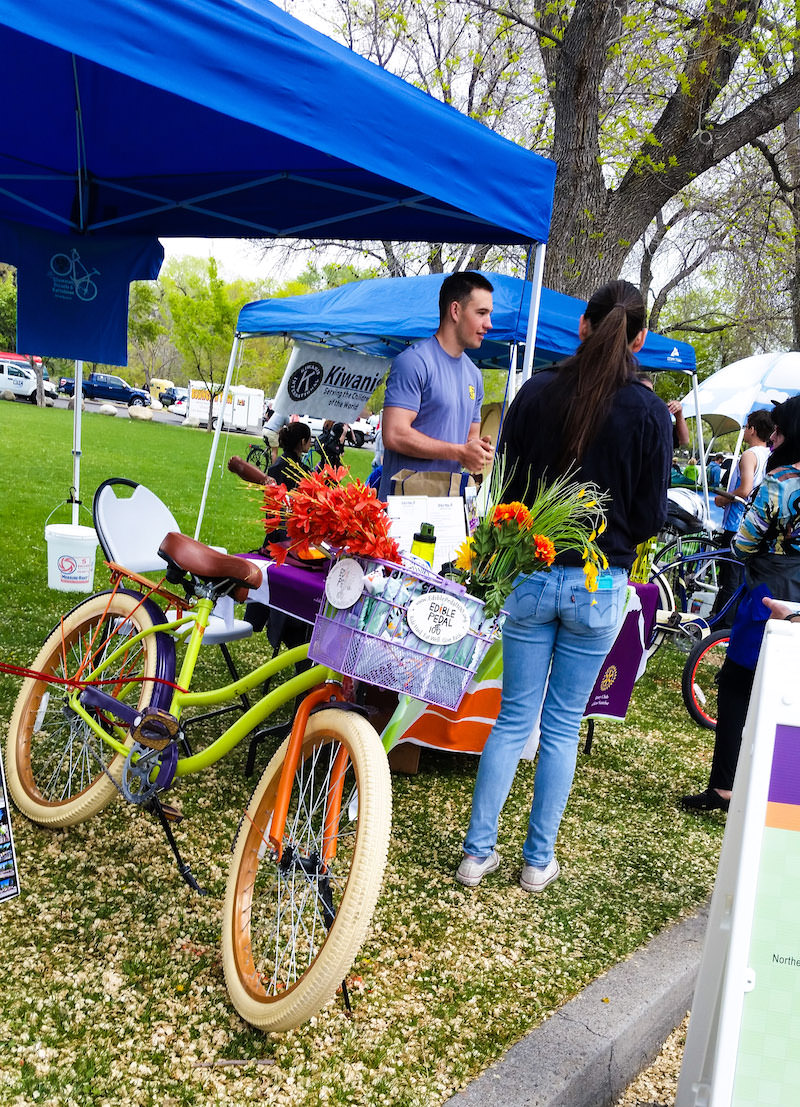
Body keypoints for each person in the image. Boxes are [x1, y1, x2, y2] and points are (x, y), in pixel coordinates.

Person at [456, 280, 672, 892]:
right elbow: (652, 517)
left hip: (530, 570)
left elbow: (508, 489)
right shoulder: (651, 413)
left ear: (582, 325)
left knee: (513, 718)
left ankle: (478, 854)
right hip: (599, 581)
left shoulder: (535, 392)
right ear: (640, 338)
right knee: (561, 727)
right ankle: (536, 861)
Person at [681, 396, 800, 813]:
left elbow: (746, 540)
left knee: (738, 687)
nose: (772, 441)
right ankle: (784, 793)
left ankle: (726, 788)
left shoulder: (782, 479)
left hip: (769, 591)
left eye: (779, 433)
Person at [378, 271, 495, 500]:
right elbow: (394, 434)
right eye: (481, 313)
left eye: (489, 314)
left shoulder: (474, 375)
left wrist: (476, 449)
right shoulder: (413, 362)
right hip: (403, 509)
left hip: (447, 510)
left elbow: (471, 436)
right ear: (455, 310)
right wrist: (460, 452)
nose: (488, 324)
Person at [711, 410, 774, 626]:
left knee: (730, 577)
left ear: (753, 429)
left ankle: (722, 627)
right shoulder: (771, 456)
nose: (745, 431)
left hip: (737, 523)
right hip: (756, 525)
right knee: (740, 578)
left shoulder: (749, 455)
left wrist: (723, 499)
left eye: (747, 426)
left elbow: (745, 489)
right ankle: (730, 622)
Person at [636, 371, 690, 447]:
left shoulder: (657, 418)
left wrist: (679, 415)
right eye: (643, 391)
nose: (647, 395)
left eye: (650, 392)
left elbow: (684, 440)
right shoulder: (621, 416)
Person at [267, 421, 312, 489]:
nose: (310, 443)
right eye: (309, 439)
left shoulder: (277, 465)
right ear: (303, 441)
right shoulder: (302, 471)